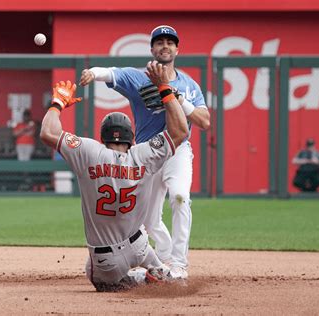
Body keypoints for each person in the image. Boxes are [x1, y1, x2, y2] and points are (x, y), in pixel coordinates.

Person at [40, 61, 189, 291]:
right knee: (141, 242)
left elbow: (48, 132)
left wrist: (57, 103)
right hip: (139, 245)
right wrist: (165, 88)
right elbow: (181, 131)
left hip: (106, 260)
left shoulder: (88, 151)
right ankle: (158, 269)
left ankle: (134, 280)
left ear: (102, 137)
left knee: (96, 276)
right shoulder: (144, 154)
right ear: (131, 139)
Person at [79, 25, 210, 279]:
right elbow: (109, 73)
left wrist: (178, 98)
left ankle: (179, 264)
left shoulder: (189, 84)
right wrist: (91, 73)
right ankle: (163, 258)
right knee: (148, 219)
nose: (165, 46)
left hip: (178, 149)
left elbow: (204, 121)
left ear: (177, 49)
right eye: (159, 42)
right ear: (152, 49)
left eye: (170, 42)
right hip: (147, 152)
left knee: (181, 197)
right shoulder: (138, 78)